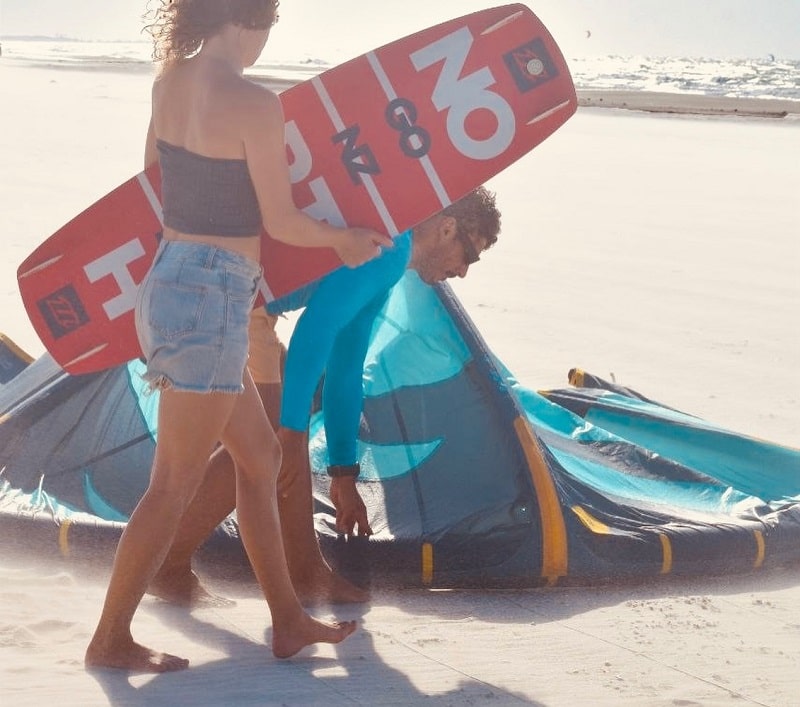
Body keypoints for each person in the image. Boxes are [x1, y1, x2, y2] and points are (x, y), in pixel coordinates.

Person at [85, 0, 392, 673]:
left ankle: (287, 620)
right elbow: (280, 220)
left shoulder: (168, 85)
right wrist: (342, 240)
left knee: (259, 457)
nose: (264, 43)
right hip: (212, 296)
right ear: (248, 22)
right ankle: (109, 638)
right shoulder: (255, 104)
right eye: (269, 28)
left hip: (169, 281)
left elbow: (152, 182)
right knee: (173, 483)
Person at [149, 186, 501, 606]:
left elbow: (345, 369)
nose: (463, 272)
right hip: (230, 299)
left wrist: (343, 474)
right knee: (275, 435)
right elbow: (312, 334)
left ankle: (292, 571)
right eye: (469, 255)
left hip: (240, 302)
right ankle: (178, 564)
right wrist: (292, 431)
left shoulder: (391, 257)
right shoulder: (390, 251)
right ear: (446, 228)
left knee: (272, 436)